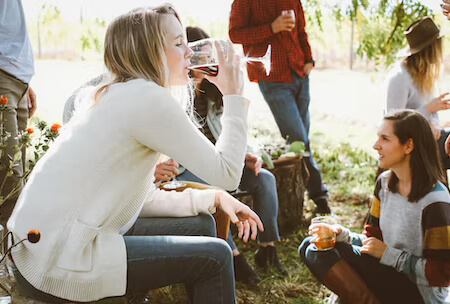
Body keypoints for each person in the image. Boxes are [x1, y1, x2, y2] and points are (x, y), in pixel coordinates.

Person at [7, 5, 264, 304]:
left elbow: (136, 200)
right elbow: (229, 174)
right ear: (149, 51)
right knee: (216, 257)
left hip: (39, 250)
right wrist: (233, 94)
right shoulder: (146, 98)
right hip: (59, 261)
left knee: (203, 224)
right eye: (179, 44)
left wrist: (213, 199)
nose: (190, 53)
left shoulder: (122, 92)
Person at [152, 26, 285, 284]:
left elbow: (233, 130)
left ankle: (267, 249)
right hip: (188, 171)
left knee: (265, 178)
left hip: (219, 164)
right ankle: (233, 256)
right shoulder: (174, 96)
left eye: (207, 54)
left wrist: (247, 153)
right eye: (199, 54)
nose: (207, 60)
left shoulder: (215, 94)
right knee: (212, 187)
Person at [299, 110, 450, 304]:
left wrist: (390, 255)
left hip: (421, 294)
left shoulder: (435, 201)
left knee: (316, 252)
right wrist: (342, 235)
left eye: (385, 139)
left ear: (409, 145)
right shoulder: (384, 184)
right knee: (310, 246)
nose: (375, 145)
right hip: (386, 271)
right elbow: (372, 242)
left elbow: (442, 275)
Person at [228, 0, 331, 215]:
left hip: (300, 72)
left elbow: (301, 30)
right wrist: (271, 28)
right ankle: (319, 196)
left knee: (302, 141)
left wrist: (309, 58)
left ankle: (306, 191)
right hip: (272, 77)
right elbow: (235, 34)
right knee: (298, 140)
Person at [385, 16, 450, 171]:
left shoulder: (426, 76)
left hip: (427, 139)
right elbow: (392, 123)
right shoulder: (399, 77)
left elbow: (432, 113)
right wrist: (427, 109)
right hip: (409, 147)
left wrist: (433, 124)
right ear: (431, 49)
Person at [0, 0, 37, 229]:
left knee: (17, 185)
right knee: (9, 181)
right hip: (4, 77)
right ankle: (12, 262)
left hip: (16, 78)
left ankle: (14, 260)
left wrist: (24, 83)